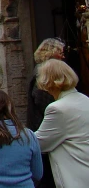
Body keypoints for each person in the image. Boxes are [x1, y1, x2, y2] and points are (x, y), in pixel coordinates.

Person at [34, 59, 89, 187]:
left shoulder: (57, 109)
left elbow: (38, 143)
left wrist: (13, 133)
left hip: (75, 177)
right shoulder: (84, 99)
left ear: (48, 82)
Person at [28, 38, 65, 188]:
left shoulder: (43, 73)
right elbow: (45, 104)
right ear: (51, 54)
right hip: (45, 134)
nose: (63, 57)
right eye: (60, 53)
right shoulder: (42, 75)